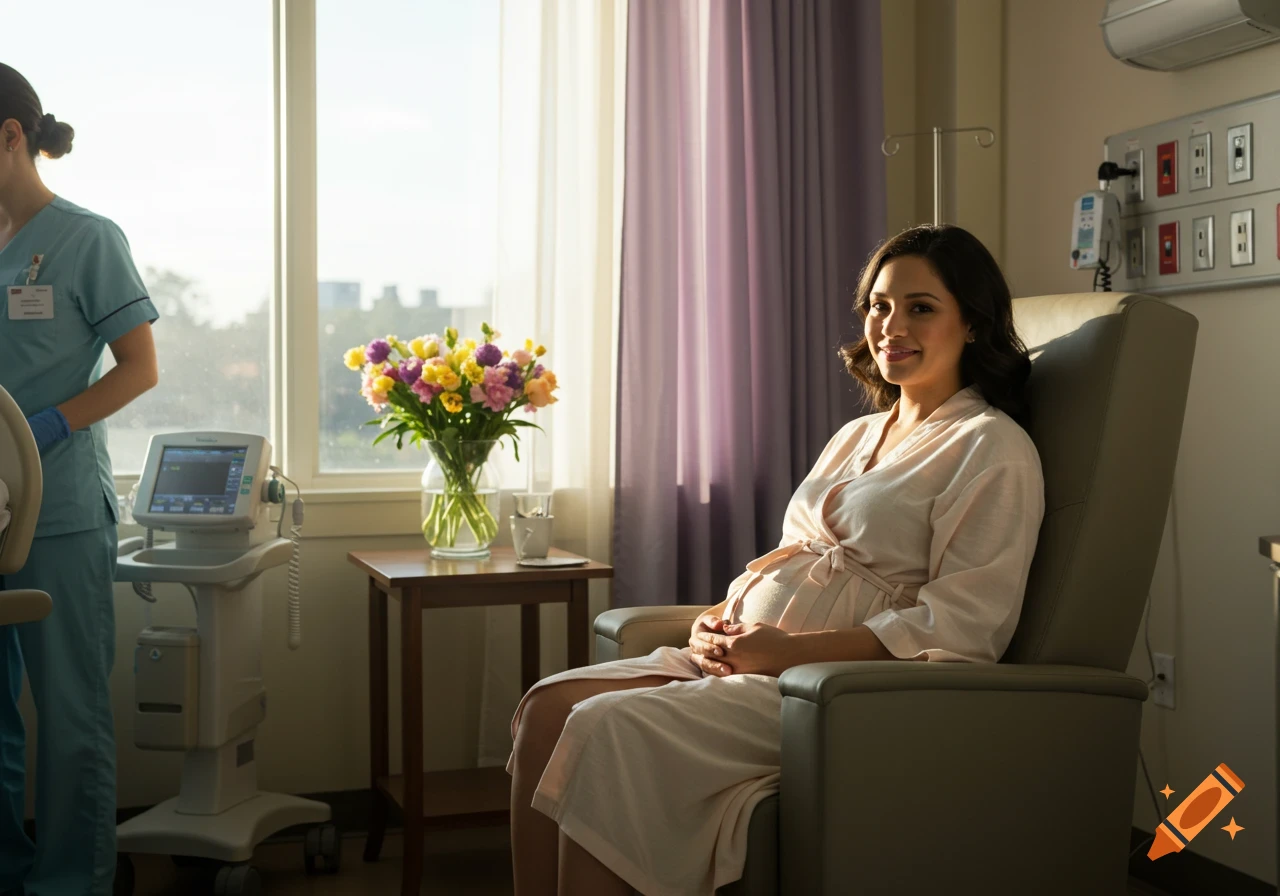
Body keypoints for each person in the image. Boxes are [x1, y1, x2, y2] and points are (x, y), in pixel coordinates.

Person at [508, 224, 1047, 896]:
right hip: (753, 659)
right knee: (543, 712)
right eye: (879, 305)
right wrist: (715, 621)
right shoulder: (858, 433)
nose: (890, 325)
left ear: (973, 323)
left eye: (921, 308)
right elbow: (794, 562)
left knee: (601, 729)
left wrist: (782, 654)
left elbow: (965, 629)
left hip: (832, 691)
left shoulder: (990, 448)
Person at [0, 64, 159, 896]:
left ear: (11, 137)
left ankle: (71, 884)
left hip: (57, 510)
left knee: (69, 718)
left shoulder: (85, 240)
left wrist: (51, 423)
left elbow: (138, 368)